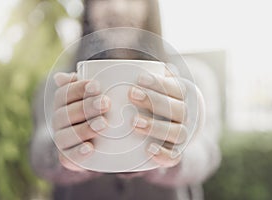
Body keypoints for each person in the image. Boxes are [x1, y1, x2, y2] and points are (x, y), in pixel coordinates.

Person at [30, 0, 221, 199]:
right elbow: (40, 156)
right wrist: (70, 157)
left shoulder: (194, 76)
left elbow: (206, 154)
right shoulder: (59, 83)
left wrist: (166, 158)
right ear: (88, 9)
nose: (117, 7)